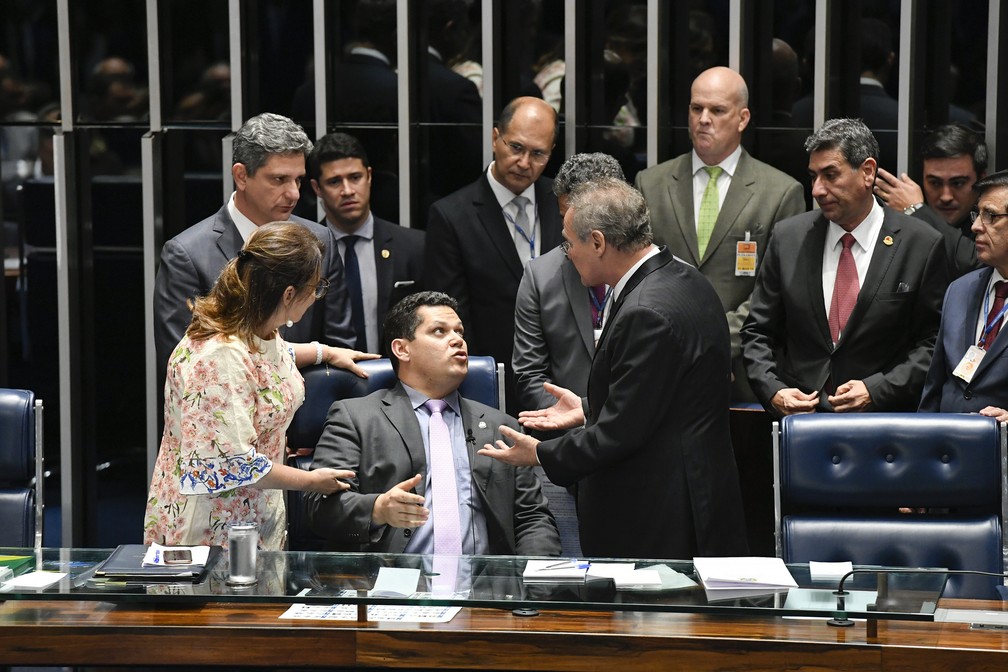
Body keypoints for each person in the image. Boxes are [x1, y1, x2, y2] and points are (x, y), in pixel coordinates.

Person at [479, 177, 748, 560]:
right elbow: (661, 394)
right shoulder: (686, 278)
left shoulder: (644, 312)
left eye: (569, 242)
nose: (566, 253)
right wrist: (588, 407)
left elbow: (620, 434)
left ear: (599, 242)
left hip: (660, 516)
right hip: (696, 495)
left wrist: (540, 453)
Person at [144, 222, 364, 549]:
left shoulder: (253, 328)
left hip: (252, 517)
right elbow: (230, 464)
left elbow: (267, 359)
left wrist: (324, 352)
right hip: (210, 531)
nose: (318, 296)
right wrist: (311, 481)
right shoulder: (219, 357)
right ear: (289, 294)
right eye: (316, 287)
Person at [306, 291, 561, 557]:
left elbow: (533, 519)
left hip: (485, 589)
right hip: (387, 587)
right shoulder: (355, 417)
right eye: (439, 331)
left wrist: (534, 586)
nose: (457, 340)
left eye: (460, 332)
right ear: (402, 349)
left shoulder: (502, 427)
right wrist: (378, 509)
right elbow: (320, 507)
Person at [741, 118, 949, 417]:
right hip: (802, 422)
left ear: (867, 172)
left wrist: (878, 389)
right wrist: (773, 390)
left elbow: (933, 344)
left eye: (830, 175)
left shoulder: (921, 245)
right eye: (813, 176)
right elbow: (758, 331)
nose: (816, 190)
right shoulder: (788, 238)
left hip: (883, 425)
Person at [634, 66, 804, 401]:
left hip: (744, 373)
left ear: (742, 119)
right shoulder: (650, 184)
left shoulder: (781, 192)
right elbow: (639, 275)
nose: (704, 119)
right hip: (662, 367)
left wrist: (711, 341)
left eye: (717, 110)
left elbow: (778, 291)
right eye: (696, 109)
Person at [154, 113, 363, 384]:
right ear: (241, 176)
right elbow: (183, 362)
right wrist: (314, 353)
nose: (294, 194)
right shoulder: (187, 254)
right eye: (279, 180)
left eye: (298, 180)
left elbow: (340, 346)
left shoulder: (320, 239)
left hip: (311, 416)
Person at [425, 96, 563, 413]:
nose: (525, 163)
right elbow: (450, 316)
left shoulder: (563, 202)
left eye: (538, 153)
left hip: (561, 380)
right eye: (516, 147)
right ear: (494, 138)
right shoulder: (451, 216)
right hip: (491, 382)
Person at [513, 152, 625, 415]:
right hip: (567, 440)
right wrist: (573, 418)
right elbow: (529, 375)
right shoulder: (540, 276)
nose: (566, 232)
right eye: (563, 217)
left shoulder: (660, 275)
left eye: (576, 222)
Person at [308, 132, 425, 355]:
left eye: (355, 177)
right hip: (327, 380)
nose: (348, 191)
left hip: (396, 379)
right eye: (334, 182)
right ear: (317, 188)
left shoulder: (413, 247)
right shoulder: (306, 252)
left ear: (369, 176)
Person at [920, 170, 1008, 420]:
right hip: (946, 450)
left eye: (990, 216)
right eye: (977, 214)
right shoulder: (959, 290)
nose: (976, 227)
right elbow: (935, 385)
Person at [874, 123, 988, 278]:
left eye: (958, 183)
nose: (945, 196)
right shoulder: (897, 222)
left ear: (981, 180)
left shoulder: (994, 222)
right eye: (935, 183)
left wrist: (916, 210)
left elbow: (975, 264)